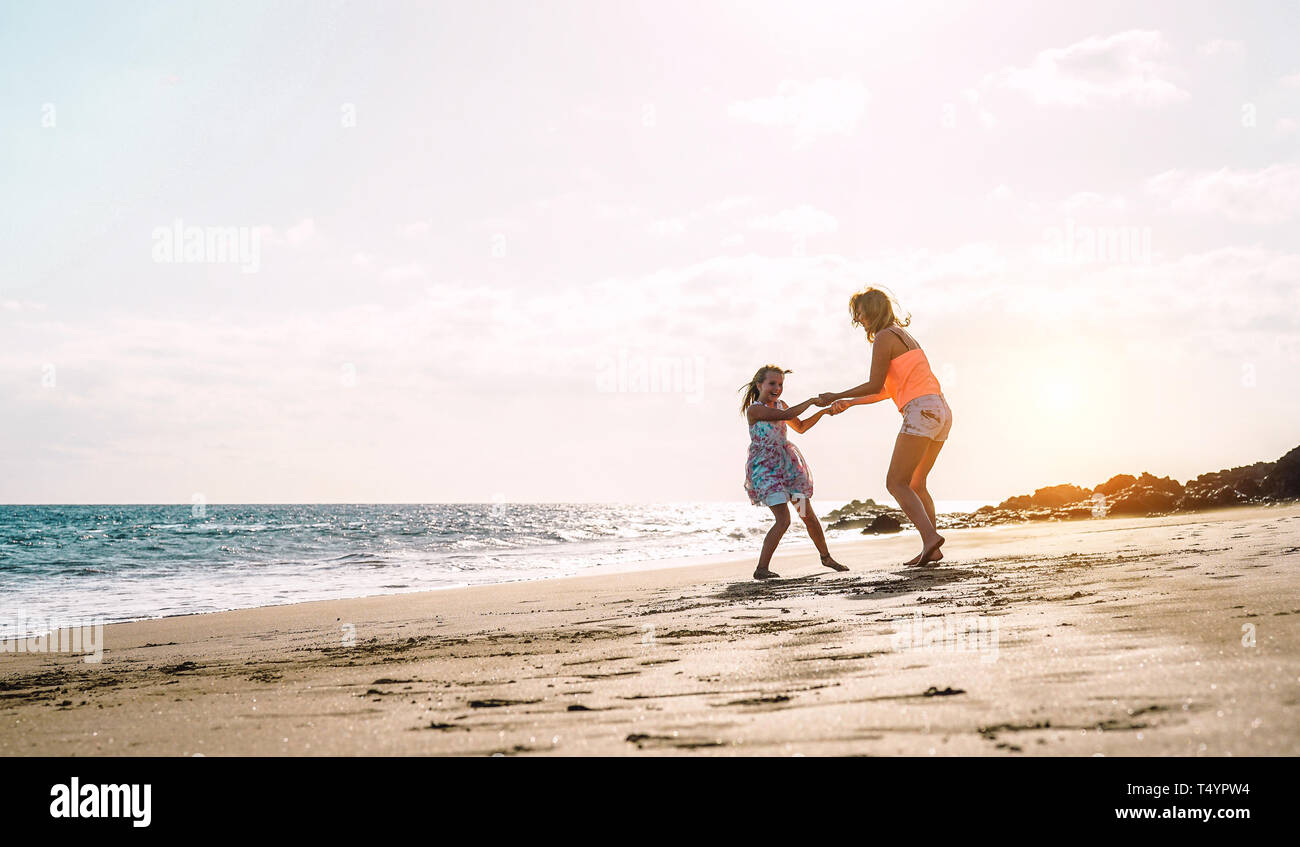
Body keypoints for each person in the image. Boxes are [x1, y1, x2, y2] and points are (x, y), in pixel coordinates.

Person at [816, 288, 952, 566]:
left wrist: (836, 395)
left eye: (860, 313)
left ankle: (930, 538)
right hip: (941, 410)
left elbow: (874, 384)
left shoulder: (884, 337)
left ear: (872, 310)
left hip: (921, 411)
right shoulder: (904, 335)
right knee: (916, 483)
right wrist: (850, 402)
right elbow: (886, 390)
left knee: (895, 482)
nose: (858, 319)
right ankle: (931, 548)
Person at [741, 364, 849, 580]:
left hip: (788, 469)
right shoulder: (755, 409)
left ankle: (826, 557)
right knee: (783, 519)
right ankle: (761, 568)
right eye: (772, 383)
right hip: (766, 470)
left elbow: (800, 426)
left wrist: (823, 412)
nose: (777, 388)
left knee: (807, 514)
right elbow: (787, 414)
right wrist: (810, 401)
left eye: (780, 384)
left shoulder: (781, 405)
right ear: (759, 385)